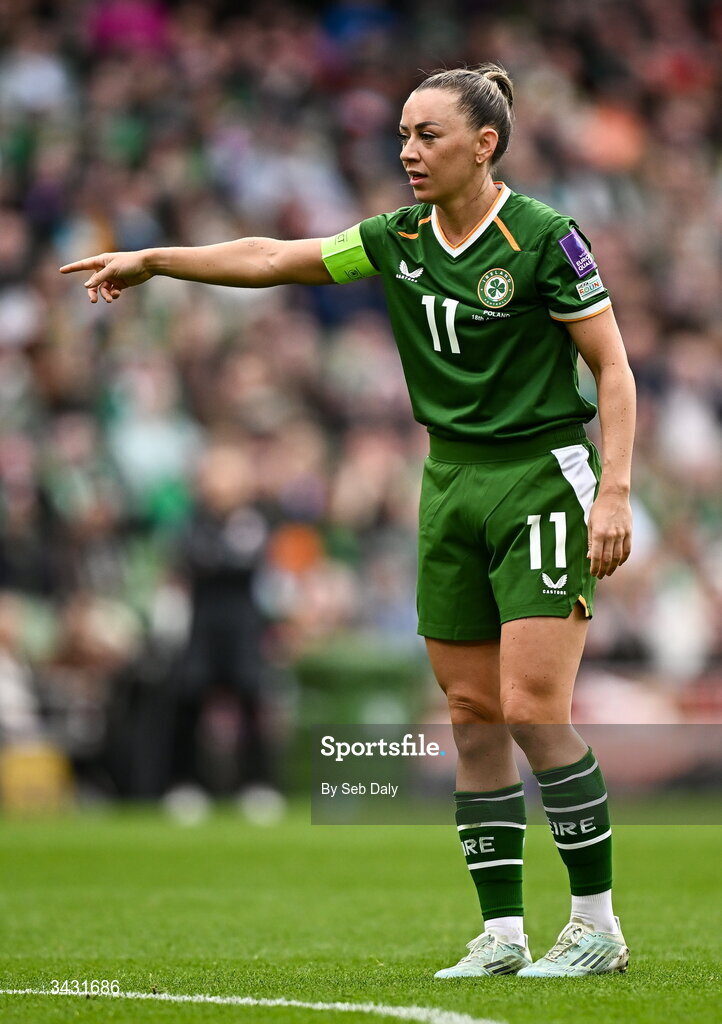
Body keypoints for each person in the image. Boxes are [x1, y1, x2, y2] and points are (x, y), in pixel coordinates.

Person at [60, 63, 635, 978]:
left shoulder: (543, 238)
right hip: (448, 482)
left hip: (542, 478)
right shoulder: (397, 238)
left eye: (428, 135)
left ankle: (598, 926)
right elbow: (272, 258)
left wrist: (614, 491)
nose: (407, 151)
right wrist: (157, 260)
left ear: (485, 145)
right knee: (470, 713)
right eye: (403, 134)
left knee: (532, 707)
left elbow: (612, 369)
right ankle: (502, 934)